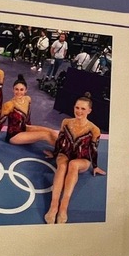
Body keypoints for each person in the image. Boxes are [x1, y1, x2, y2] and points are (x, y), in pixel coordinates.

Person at [44, 92, 106, 224]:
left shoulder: (94, 129)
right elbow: (60, 141)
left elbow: (93, 149)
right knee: (62, 165)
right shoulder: (66, 122)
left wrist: (95, 166)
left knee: (73, 165)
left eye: (83, 109)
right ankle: (53, 206)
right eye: (77, 107)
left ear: (89, 110)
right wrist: (54, 154)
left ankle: (63, 207)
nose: (79, 111)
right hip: (64, 154)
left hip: (81, 160)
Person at [0, 74, 58, 150]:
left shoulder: (28, 99)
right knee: (45, 135)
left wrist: (30, 129)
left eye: (21, 89)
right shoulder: (9, 105)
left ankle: (65, 152)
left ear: (26, 90)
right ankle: (58, 154)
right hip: (14, 136)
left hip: (25, 128)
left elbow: (27, 118)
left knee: (51, 132)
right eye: (16, 89)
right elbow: (0, 124)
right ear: (13, 89)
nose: (18, 92)